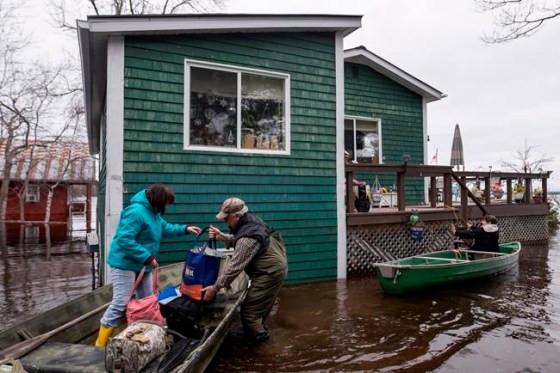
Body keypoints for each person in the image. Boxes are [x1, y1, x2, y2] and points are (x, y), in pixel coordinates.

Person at [95, 183, 201, 347]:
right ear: (158, 200)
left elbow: (164, 228)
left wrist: (184, 229)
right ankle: (99, 346)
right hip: (125, 263)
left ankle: (145, 338)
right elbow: (124, 239)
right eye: (165, 203)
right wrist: (147, 257)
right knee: (120, 304)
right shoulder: (136, 212)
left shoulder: (154, 212)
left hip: (144, 265)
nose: (166, 207)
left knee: (147, 303)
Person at [202, 197, 288, 346]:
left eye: (226, 218)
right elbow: (240, 241)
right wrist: (222, 236)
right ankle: (259, 331)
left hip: (269, 273)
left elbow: (234, 267)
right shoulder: (249, 221)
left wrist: (215, 288)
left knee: (249, 312)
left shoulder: (248, 236)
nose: (224, 221)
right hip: (275, 266)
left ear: (236, 215)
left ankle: (262, 347)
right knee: (260, 309)